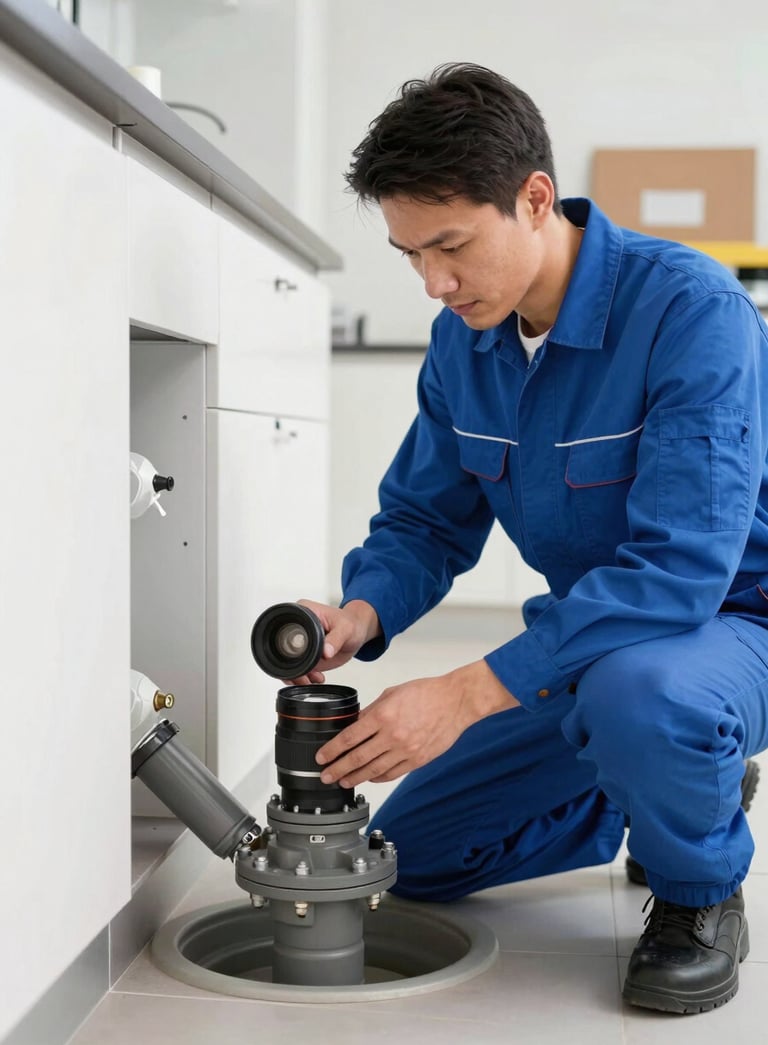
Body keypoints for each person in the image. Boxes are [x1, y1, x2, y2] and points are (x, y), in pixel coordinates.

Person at [291, 63, 768, 1014]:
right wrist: (360, 609)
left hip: (726, 626)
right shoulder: (466, 339)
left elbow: (679, 570)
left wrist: (467, 693)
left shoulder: (691, 310)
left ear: (535, 200)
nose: (434, 282)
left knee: (648, 694)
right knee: (415, 856)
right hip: (586, 646)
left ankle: (696, 890)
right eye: (409, 255)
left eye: (452, 246)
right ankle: (666, 785)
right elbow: (425, 518)